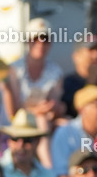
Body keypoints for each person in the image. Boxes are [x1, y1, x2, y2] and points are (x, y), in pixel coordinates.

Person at [9, 17, 65, 167]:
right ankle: (49, 166)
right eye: (36, 38)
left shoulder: (55, 72)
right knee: (42, 120)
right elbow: (13, 109)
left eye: (45, 39)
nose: (40, 43)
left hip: (46, 119)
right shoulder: (14, 69)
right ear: (28, 41)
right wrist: (40, 110)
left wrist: (50, 109)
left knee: (66, 126)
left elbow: (55, 104)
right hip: (22, 121)